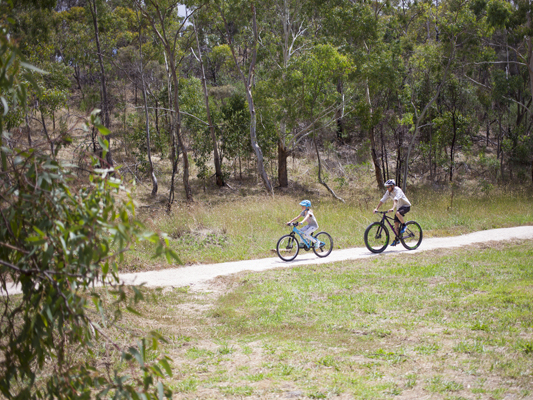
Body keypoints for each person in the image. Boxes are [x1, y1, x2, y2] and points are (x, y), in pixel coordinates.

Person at [373, 179, 411, 246]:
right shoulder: (388, 192)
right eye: (386, 187)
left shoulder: (398, 190)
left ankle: (404, 226)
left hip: (406, 206)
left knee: (397, 213)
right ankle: (397, 239)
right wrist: (376, 208)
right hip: (399, 208)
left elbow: (395, 200)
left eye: (388, 187)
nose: (387, 188)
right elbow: (383, 200)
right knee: (396, 223)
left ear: (392, 186)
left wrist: (392, 208)